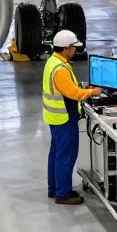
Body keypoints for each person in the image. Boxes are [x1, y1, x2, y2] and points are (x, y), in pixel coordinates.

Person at [42, 29, 101, 205]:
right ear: (66, 48)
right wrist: (92, 92)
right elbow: (73, 93)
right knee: (66, 156)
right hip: (64, 119)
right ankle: (63, 194)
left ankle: (54, 189)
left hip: (55, 117)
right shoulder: (60, 68)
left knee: (56, 154)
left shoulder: (54, 61)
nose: (76, 50)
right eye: (74, 47)